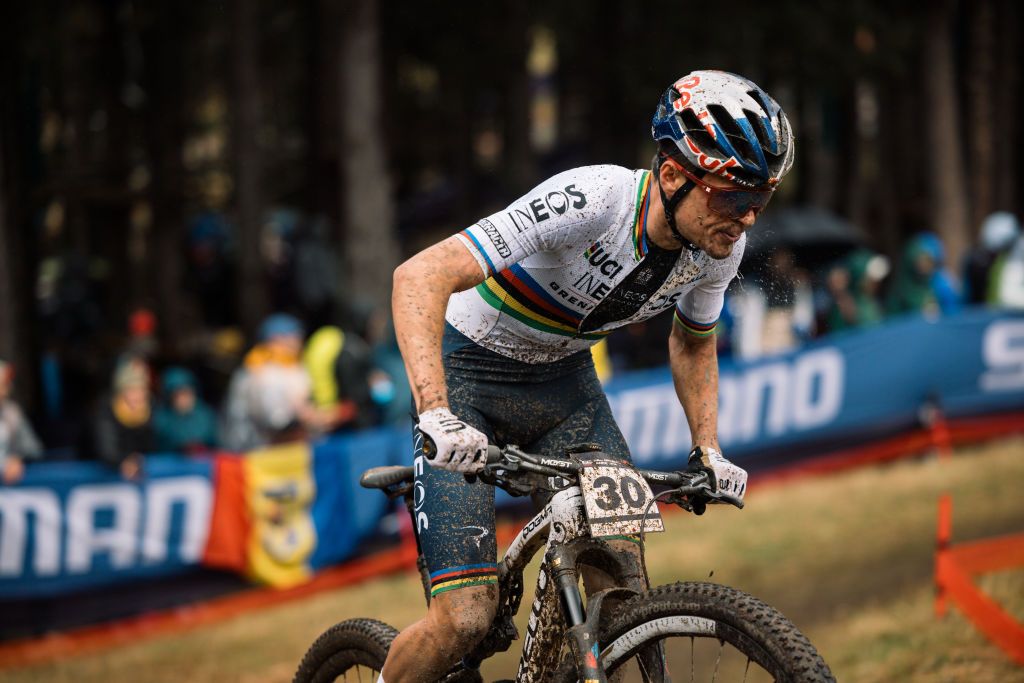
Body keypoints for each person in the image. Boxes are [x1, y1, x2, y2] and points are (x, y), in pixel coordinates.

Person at [382, 70, 795, 682]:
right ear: (676, 174)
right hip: (466, 375)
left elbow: (693, 342)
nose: (747, 220)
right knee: (465, 620)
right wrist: (435, 411)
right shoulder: (591, 200)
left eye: (761, 201)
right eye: (735, 198)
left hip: (566, 390)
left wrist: (707, 447)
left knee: (620, 586)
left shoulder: (717, 248)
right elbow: (418, 277)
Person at [84, 355, 155, 479]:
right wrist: (122, 462)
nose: (137, 395)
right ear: (121, 391)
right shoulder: (106, 409)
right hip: (96, 474)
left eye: (141, 390)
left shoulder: (151, 408)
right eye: (131, 390)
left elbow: (151, 445)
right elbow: (106, 446)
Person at [153, 367, 219, 453]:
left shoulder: (207, 416)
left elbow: (216, 445)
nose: (184, 399)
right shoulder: (161, 419)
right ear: (170, 398)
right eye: (178, 395)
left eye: (187, 393)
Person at [0, 360, 44, 485]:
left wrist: (18, 459)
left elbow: (34, 449)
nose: (7, 390)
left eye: (7, 384)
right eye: (4, 384)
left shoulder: (12, 413)